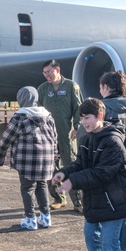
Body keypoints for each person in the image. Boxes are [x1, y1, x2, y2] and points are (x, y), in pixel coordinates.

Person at [53, 98, 126, 251]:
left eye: (87, 118)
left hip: (112, 202)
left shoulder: (113, 142)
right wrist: (64, 172)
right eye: (81, 119)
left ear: (100, 116)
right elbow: (81, 163)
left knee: (110, 244)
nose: (84, 122)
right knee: (92, 238)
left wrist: (73, 182)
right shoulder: (88, 137)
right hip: (96, 200)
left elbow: (101, 174)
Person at [0, 86, 58, 230]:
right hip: (46, 159)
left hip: (26, 160)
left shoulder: (20, 117)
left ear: (21, 99)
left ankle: (30, 218)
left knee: (27, 187)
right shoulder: (48, 116)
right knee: (42, 185)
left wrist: (0, 156)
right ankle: (45, 217)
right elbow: (55, 138)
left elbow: (6, 138)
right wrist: (54, 156)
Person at [99, 70, 126, 251]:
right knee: (123, 202)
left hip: (106, 165)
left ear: (106, 87)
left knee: (105, 206)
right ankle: (123, 244)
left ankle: (112, 245)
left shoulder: (101, 108)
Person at [37, 60, 84, 212]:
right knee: (51, 166)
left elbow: (78, 108)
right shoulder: (43, 89)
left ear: (57, 69)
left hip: (67, 133)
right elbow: (38, 110)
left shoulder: (71, 86)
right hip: (48, 134)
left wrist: (77, 127)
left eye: (49, 72)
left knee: (71, 165)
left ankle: (78, 202)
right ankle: (58, 198)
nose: (47, 76)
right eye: (44, 73)